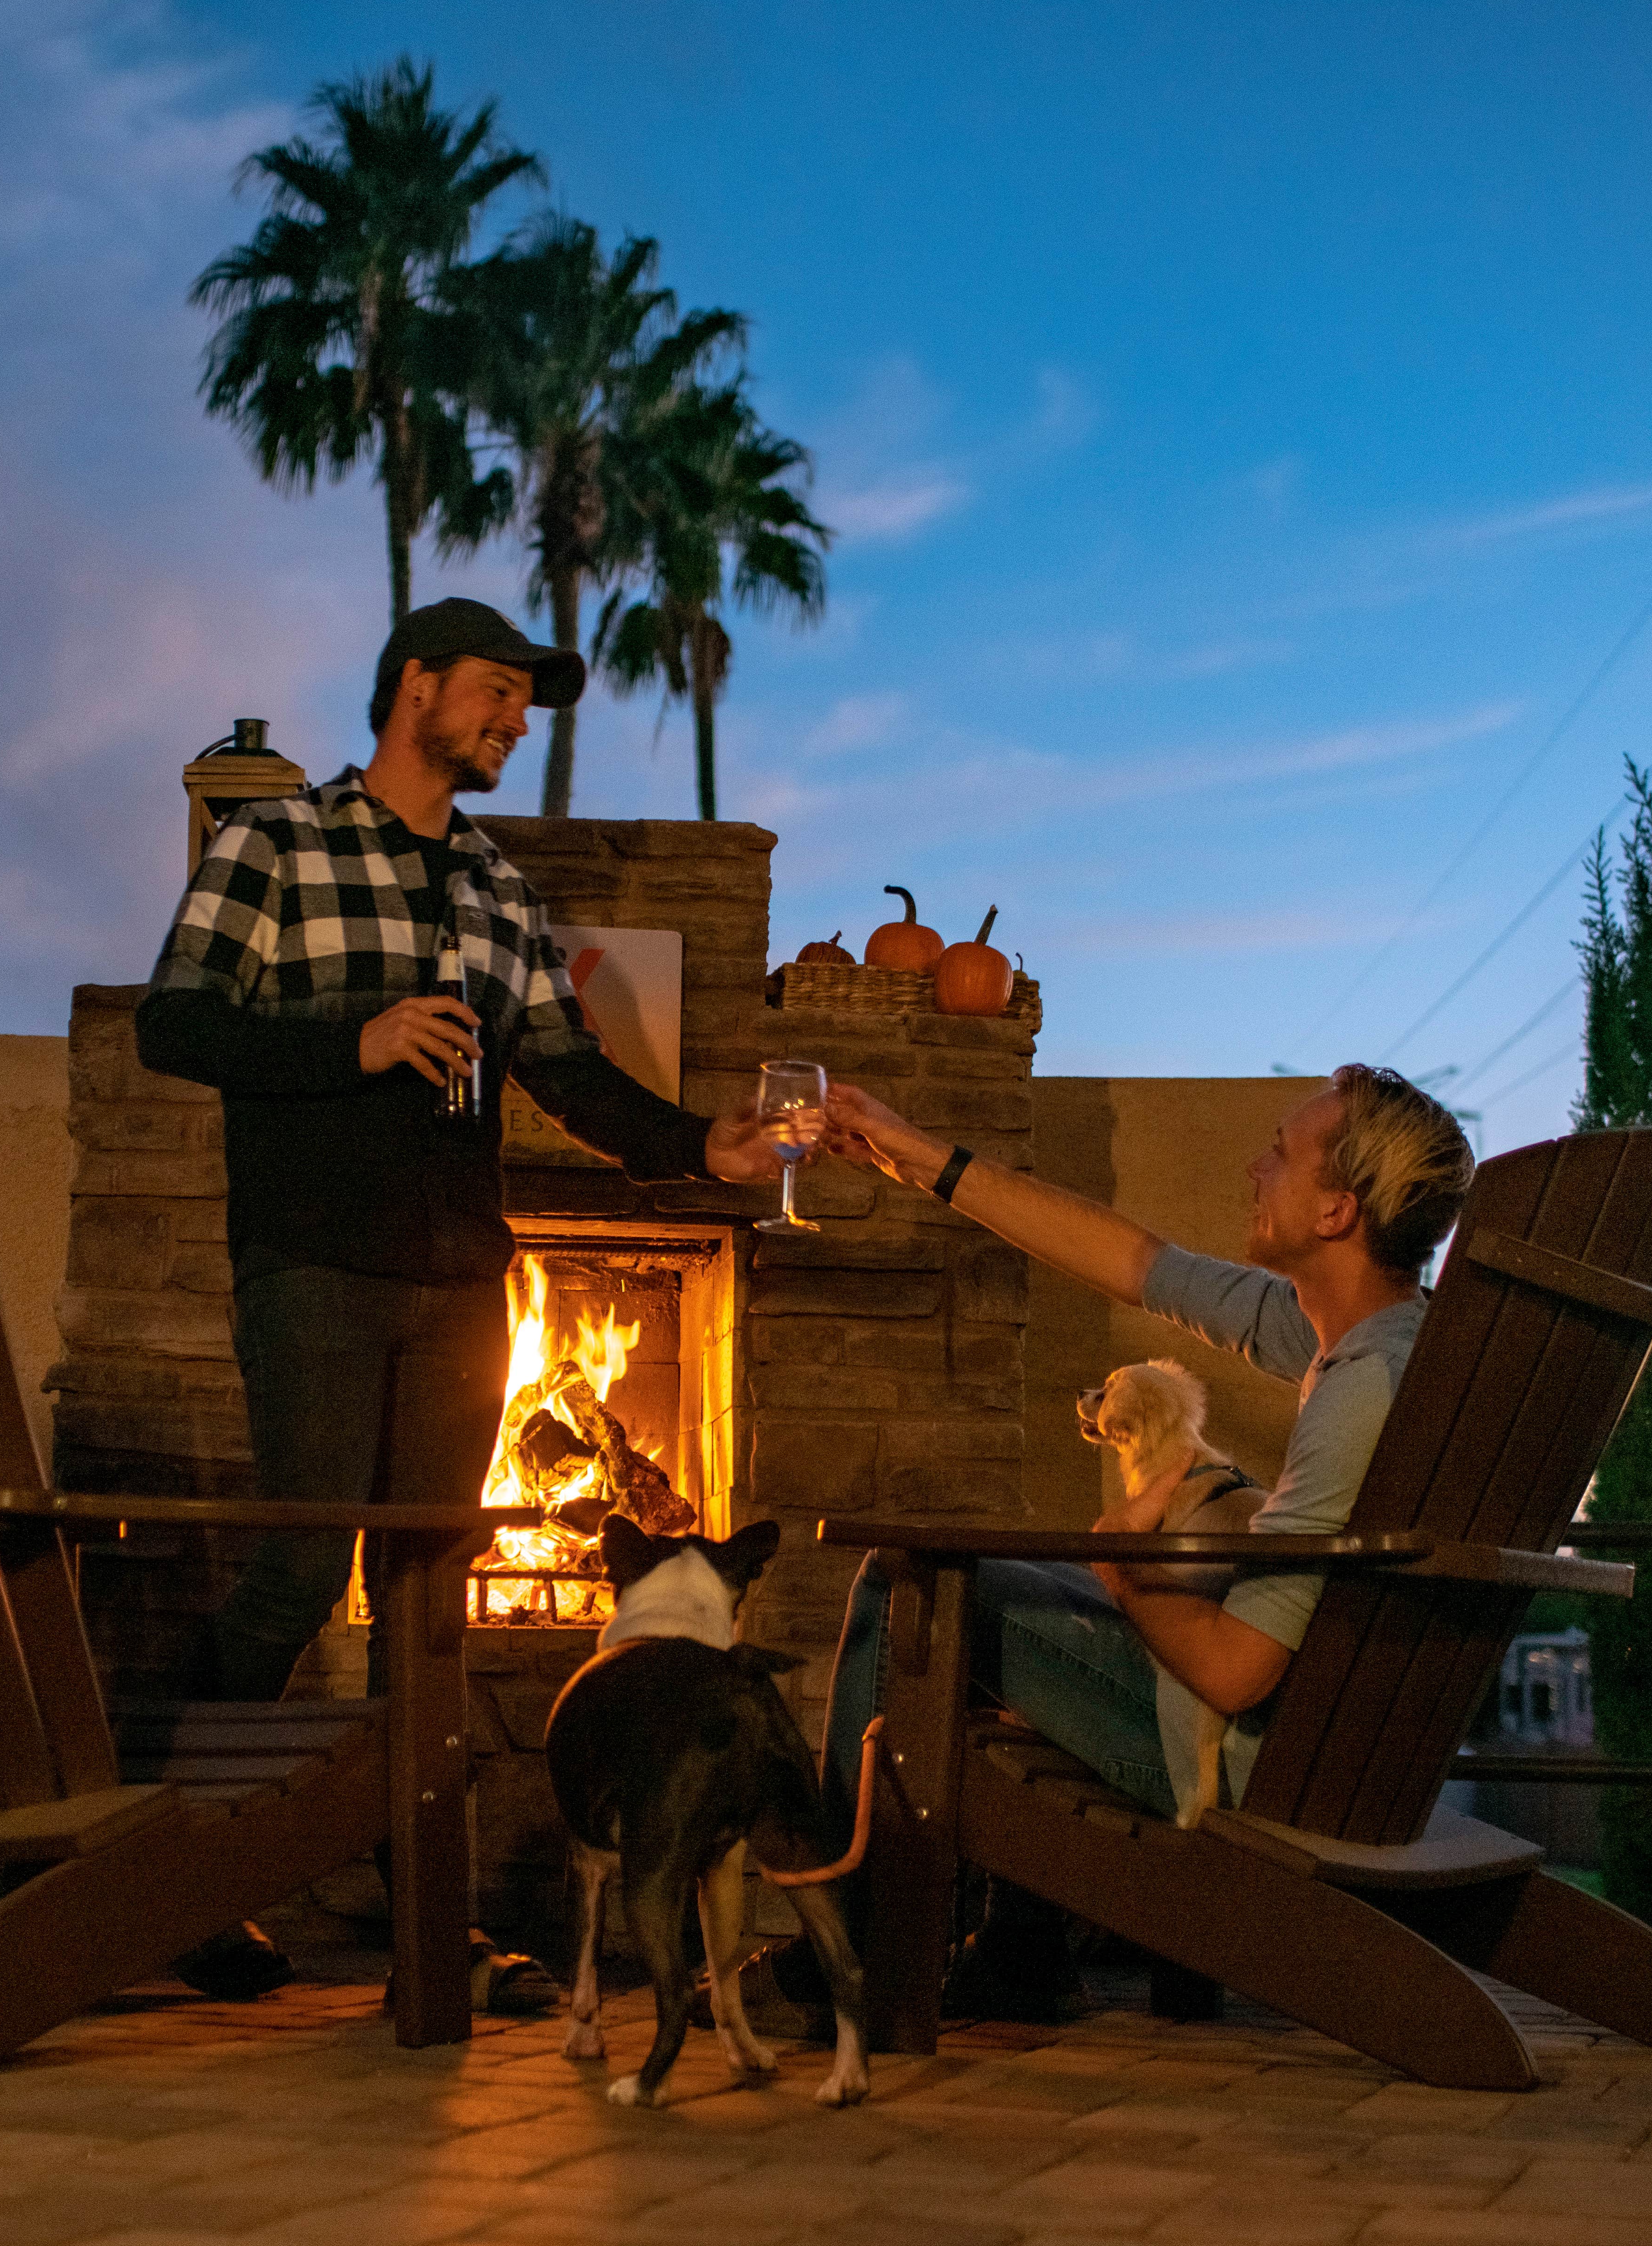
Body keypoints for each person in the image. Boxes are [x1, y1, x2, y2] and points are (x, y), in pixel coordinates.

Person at [138, 597, 785, 2000]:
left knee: (427, 1602)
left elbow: (566, 1069)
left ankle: (419, 1915)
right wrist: (353, 1039)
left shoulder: (496, 887)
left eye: (523, 705)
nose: (510, 719)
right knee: (302, 1572)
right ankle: (173, 1874)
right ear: (414, 686)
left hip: (458, 1288)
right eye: (493, 691)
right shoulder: (280, 841)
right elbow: (173, 1022)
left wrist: (700, 1151)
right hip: (312, 1266)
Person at [807, 1065, 1475, 2011]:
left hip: (1233, 1767)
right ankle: (1021, 1947)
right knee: (1006, 1600)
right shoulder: (1381, 1338)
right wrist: (920, 1159)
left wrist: (1122, 1571)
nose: (1254, 1167)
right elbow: (1138, 1264)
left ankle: (841, 1941)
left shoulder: (1361, 1390)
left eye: (1279, 1155)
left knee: (909, 1585)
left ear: (1335, 1213)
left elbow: (1239, 1670)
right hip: (1323, 1750)